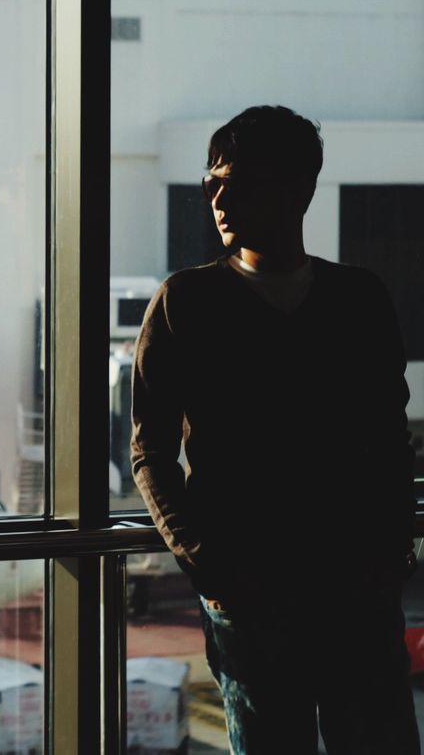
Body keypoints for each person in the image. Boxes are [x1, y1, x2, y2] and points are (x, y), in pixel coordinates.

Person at [130, 105, 419, 753]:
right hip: (258, 599)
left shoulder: (358, 300)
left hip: (352, 594)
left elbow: (388, 441)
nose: (219, 197)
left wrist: (389, 555)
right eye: (212, 182)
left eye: (238, 180)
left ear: (298, 188)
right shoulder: (184, 303)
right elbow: (148, 452)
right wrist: (212, 571)